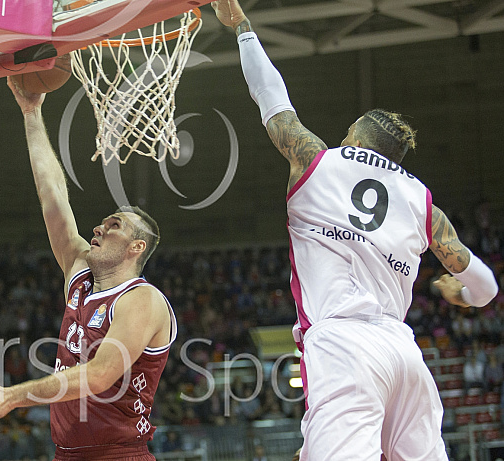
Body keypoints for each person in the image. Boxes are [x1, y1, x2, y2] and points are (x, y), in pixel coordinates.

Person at [211, 1, 499, 459]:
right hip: (403, 351)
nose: (343, 141)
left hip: (344, 344)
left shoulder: (317, 161)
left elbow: (272, 100)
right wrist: (458, 296)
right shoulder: (424, 204)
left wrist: (243, 28)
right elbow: (486, 288)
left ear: (360, 141)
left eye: (347, 135)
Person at [0, 77, 177, 460]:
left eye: (114, 226)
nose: (99, 228)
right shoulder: (80, 273)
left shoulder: (142, 300)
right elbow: (51, 193)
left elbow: (102, 374)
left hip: (119, 455)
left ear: (136, 249)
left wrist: (11, 397)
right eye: (103, 222)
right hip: (66, 453)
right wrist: (32, 113)